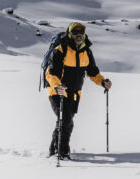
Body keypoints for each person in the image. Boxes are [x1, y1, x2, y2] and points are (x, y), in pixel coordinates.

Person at [44, 22, 112, 159]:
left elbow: (92, 72)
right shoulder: (61, 49)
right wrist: (57, 87)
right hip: (57, 92)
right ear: (70, 33)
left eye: (81, 32)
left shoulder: (86, 51)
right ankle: (62, 153)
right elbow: (50, 73)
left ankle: (53, 150)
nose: (78, 35)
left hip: (75, 93)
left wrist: (102, 82)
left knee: (63, 121)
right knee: (66, 121)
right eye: (75, 32)